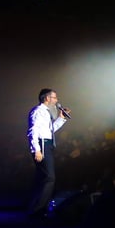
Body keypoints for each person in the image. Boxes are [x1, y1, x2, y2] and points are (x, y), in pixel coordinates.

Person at [27, 87, 69, 220]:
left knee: (43, 178)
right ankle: (38, 210)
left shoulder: (46, 112)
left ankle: (37, 209)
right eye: (54, 97)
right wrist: (37, 150)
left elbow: (50, 131)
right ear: (47, 98)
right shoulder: (38, 111)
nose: (57, 100)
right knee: (49, 178)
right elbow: (33, 131)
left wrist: (61, 118)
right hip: (42, 144)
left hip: (48, 143)